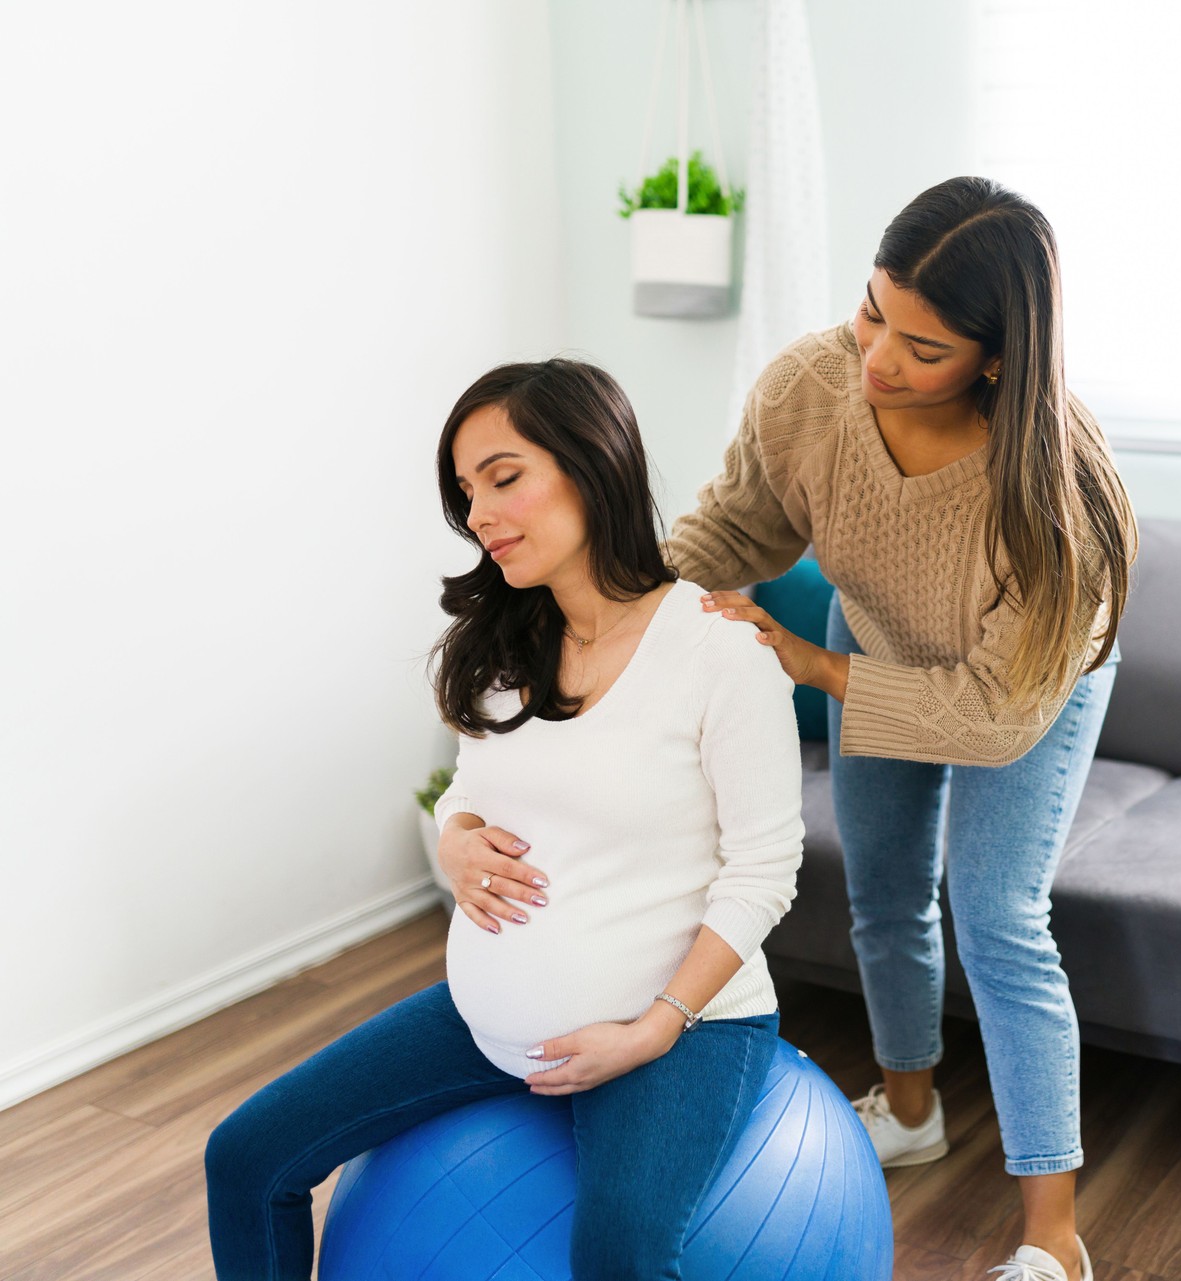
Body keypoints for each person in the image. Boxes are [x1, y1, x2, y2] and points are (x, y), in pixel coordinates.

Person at [202, 359, 804, 1281]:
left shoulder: (721, 650)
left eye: (503, 475)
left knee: (620, 1256)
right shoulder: (506, 642)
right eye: (465, 490)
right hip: (485, 1017)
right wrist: (454, 837)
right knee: (244, 1158)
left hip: (678, 1027)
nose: (478, 512)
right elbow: (471, 787)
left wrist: (652, 1027)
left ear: (592, 461)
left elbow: (766, 866)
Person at [662, 175, 1137, 1281]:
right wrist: (620, 615)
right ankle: (911, 1111)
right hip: (872, 634)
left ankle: (1054, 1242)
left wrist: (813, 666)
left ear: (1000, 357)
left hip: (1025, 685)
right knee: (880, 887)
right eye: (874, 310)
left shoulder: (1064, 503)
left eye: (923, 348)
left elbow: (984, 714)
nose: (876, 357)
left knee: (999, 916)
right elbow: (741, 524)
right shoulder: (811, 387)